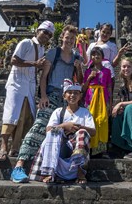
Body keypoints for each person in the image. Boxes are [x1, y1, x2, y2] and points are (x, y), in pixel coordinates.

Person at [11, 25, 83, 183]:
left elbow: (80, 80)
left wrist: (78, 69)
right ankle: (19, 165)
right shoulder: (53, 53)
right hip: (51, 95)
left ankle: (54, 169)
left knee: (63, 132)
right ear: (62, 37)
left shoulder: (76, 57)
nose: (69, 41)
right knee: (39, 126)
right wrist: (43, 96)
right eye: (67, 37)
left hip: (67, 99)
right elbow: (44, 77)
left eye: (72, 38)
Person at [0, 21, 54, 161]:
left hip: (29, 86)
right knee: (12, 113)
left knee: (24, 116)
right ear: (37, 31)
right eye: (45, 32)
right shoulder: (26, 42)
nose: (46, 36)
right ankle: (3, 147)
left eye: (49, 35)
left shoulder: (41, 50)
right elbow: (14, 60)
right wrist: (35, 64)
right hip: (17, 83)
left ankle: (15, 148)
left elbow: (34, 67)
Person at [29, 79, 96, 184]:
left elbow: (93, 132)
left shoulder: (85, 112)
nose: (72, 95)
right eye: (70, 93)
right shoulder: (58, 111)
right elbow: (48, 130)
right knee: (53, 133)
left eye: (76, 93)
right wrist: (65, 126)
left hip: (77, 148)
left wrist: (79, 127)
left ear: (80, 96)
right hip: (60, 148)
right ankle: (48, 171)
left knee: (82, 133)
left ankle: (80, 171)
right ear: (64, 96)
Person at [83, 47, 113, 156]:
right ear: (91, 57)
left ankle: (101, 150)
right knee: (91, 121)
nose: (96, 56)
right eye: (94, 54)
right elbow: (84, 88)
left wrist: (110, 102)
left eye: (98, 54)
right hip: (90, 98)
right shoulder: (88, 71)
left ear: (102, 56)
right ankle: (89, 148)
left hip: (103, 97)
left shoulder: (107, 71)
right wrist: (90, 78)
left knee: (103, 121)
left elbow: (109, 86)